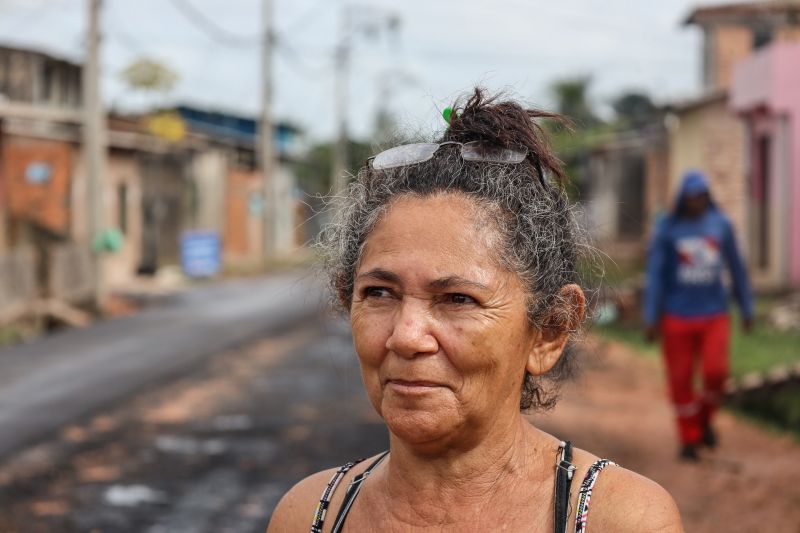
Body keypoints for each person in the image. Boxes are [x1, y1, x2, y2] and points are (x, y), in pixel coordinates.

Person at [268, 89, 683, 532]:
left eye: (458, 299)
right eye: (379, 293)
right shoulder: (310, 516)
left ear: (549, 330)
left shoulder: (620, 520)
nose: (406, 336)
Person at [643, 170, 754, 461]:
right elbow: (655, 275)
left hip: (714, 313)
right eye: (691, 197)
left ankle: (704, 419)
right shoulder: (668, 229)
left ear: (707, 197)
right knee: (680, 380)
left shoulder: (721, 225)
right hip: (677, 316)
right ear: (683, 199)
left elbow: (737, 268)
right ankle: (689, 439)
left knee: (716, 373)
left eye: (701, 196)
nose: (696, 202)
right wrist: (651, 317)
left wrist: (747, 307)